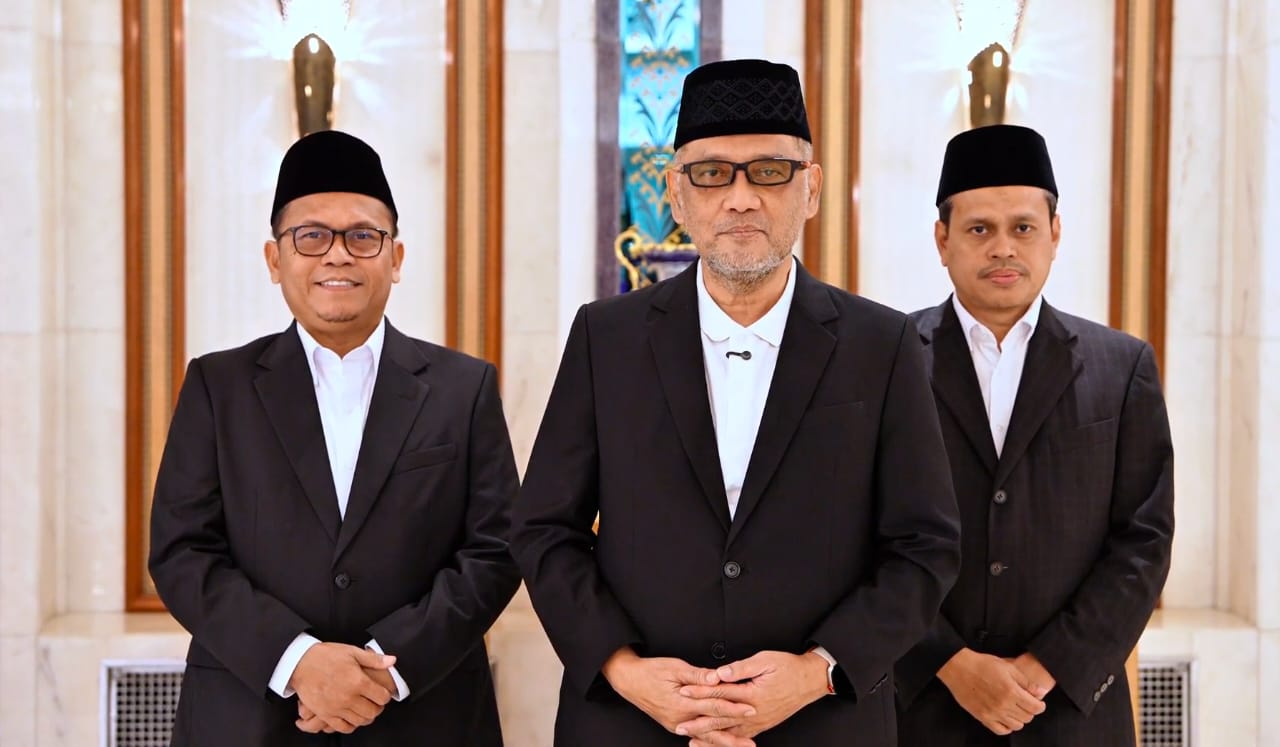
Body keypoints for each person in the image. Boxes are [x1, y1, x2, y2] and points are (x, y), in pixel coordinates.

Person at [510, 58, 961, 747]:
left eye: (770, 171)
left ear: (811, 188)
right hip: (630, 724)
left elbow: (924, 547)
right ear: (676, 193)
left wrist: (817, 671)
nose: (741, 198)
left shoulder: (882, 343)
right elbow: (545, 529)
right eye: (713, 173)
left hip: (823, 724)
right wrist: (624, 669)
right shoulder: (607, 337)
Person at [149, 130, 521, 746]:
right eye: (311, 236)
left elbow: (496, 549)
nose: (338, 256)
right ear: (275, 261)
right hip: (249, 716)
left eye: (363, 236)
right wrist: (298, 662)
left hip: (424, 715)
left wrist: (379, 672)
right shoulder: (218, 386)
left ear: (395, 258)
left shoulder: (464, 387)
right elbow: (182, 552)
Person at [894, 124, 1175, 746]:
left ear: (1055, 234)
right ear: (942, 240)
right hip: (922, 712)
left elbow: (1144, 542)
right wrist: (950, 662)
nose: (1003, 248)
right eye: (979, 230)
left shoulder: (1121, 366)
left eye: (1023, 227)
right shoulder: (885, 359)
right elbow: (856, 536)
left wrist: (1047, 667)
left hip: (1070, 713)